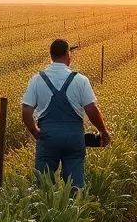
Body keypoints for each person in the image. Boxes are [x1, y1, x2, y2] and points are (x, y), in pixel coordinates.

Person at [22, 38, 111, 188]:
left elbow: (26, 110)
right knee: (75, 186)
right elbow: (91, 109)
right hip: (73, 137)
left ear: (51, 56)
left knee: (43, 186)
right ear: (67, 55)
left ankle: (45, 208)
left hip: (47, 137)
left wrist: (34, 131)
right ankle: (73, 209)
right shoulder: (80, 80)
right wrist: (103, 131)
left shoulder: (37, 80)